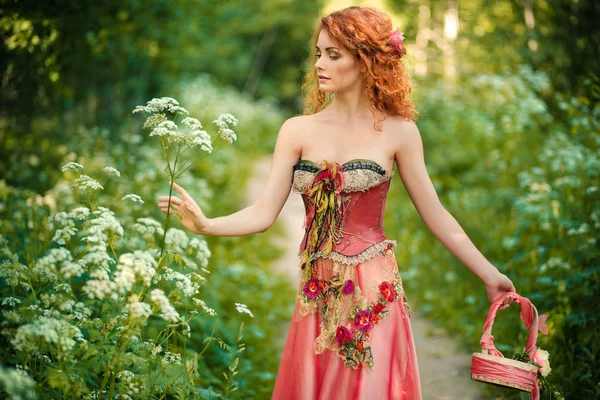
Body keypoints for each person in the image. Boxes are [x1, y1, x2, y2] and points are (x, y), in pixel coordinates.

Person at [157, 6, 516, 400]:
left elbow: (438, 217)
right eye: (318, 53)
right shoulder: (296, 130)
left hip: (374, 290)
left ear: (366, 61)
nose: (319, 64)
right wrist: (206, 224)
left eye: (333, 54)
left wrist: (488, 273)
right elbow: (262, 213)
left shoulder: (399, 132)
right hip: (317, 293)